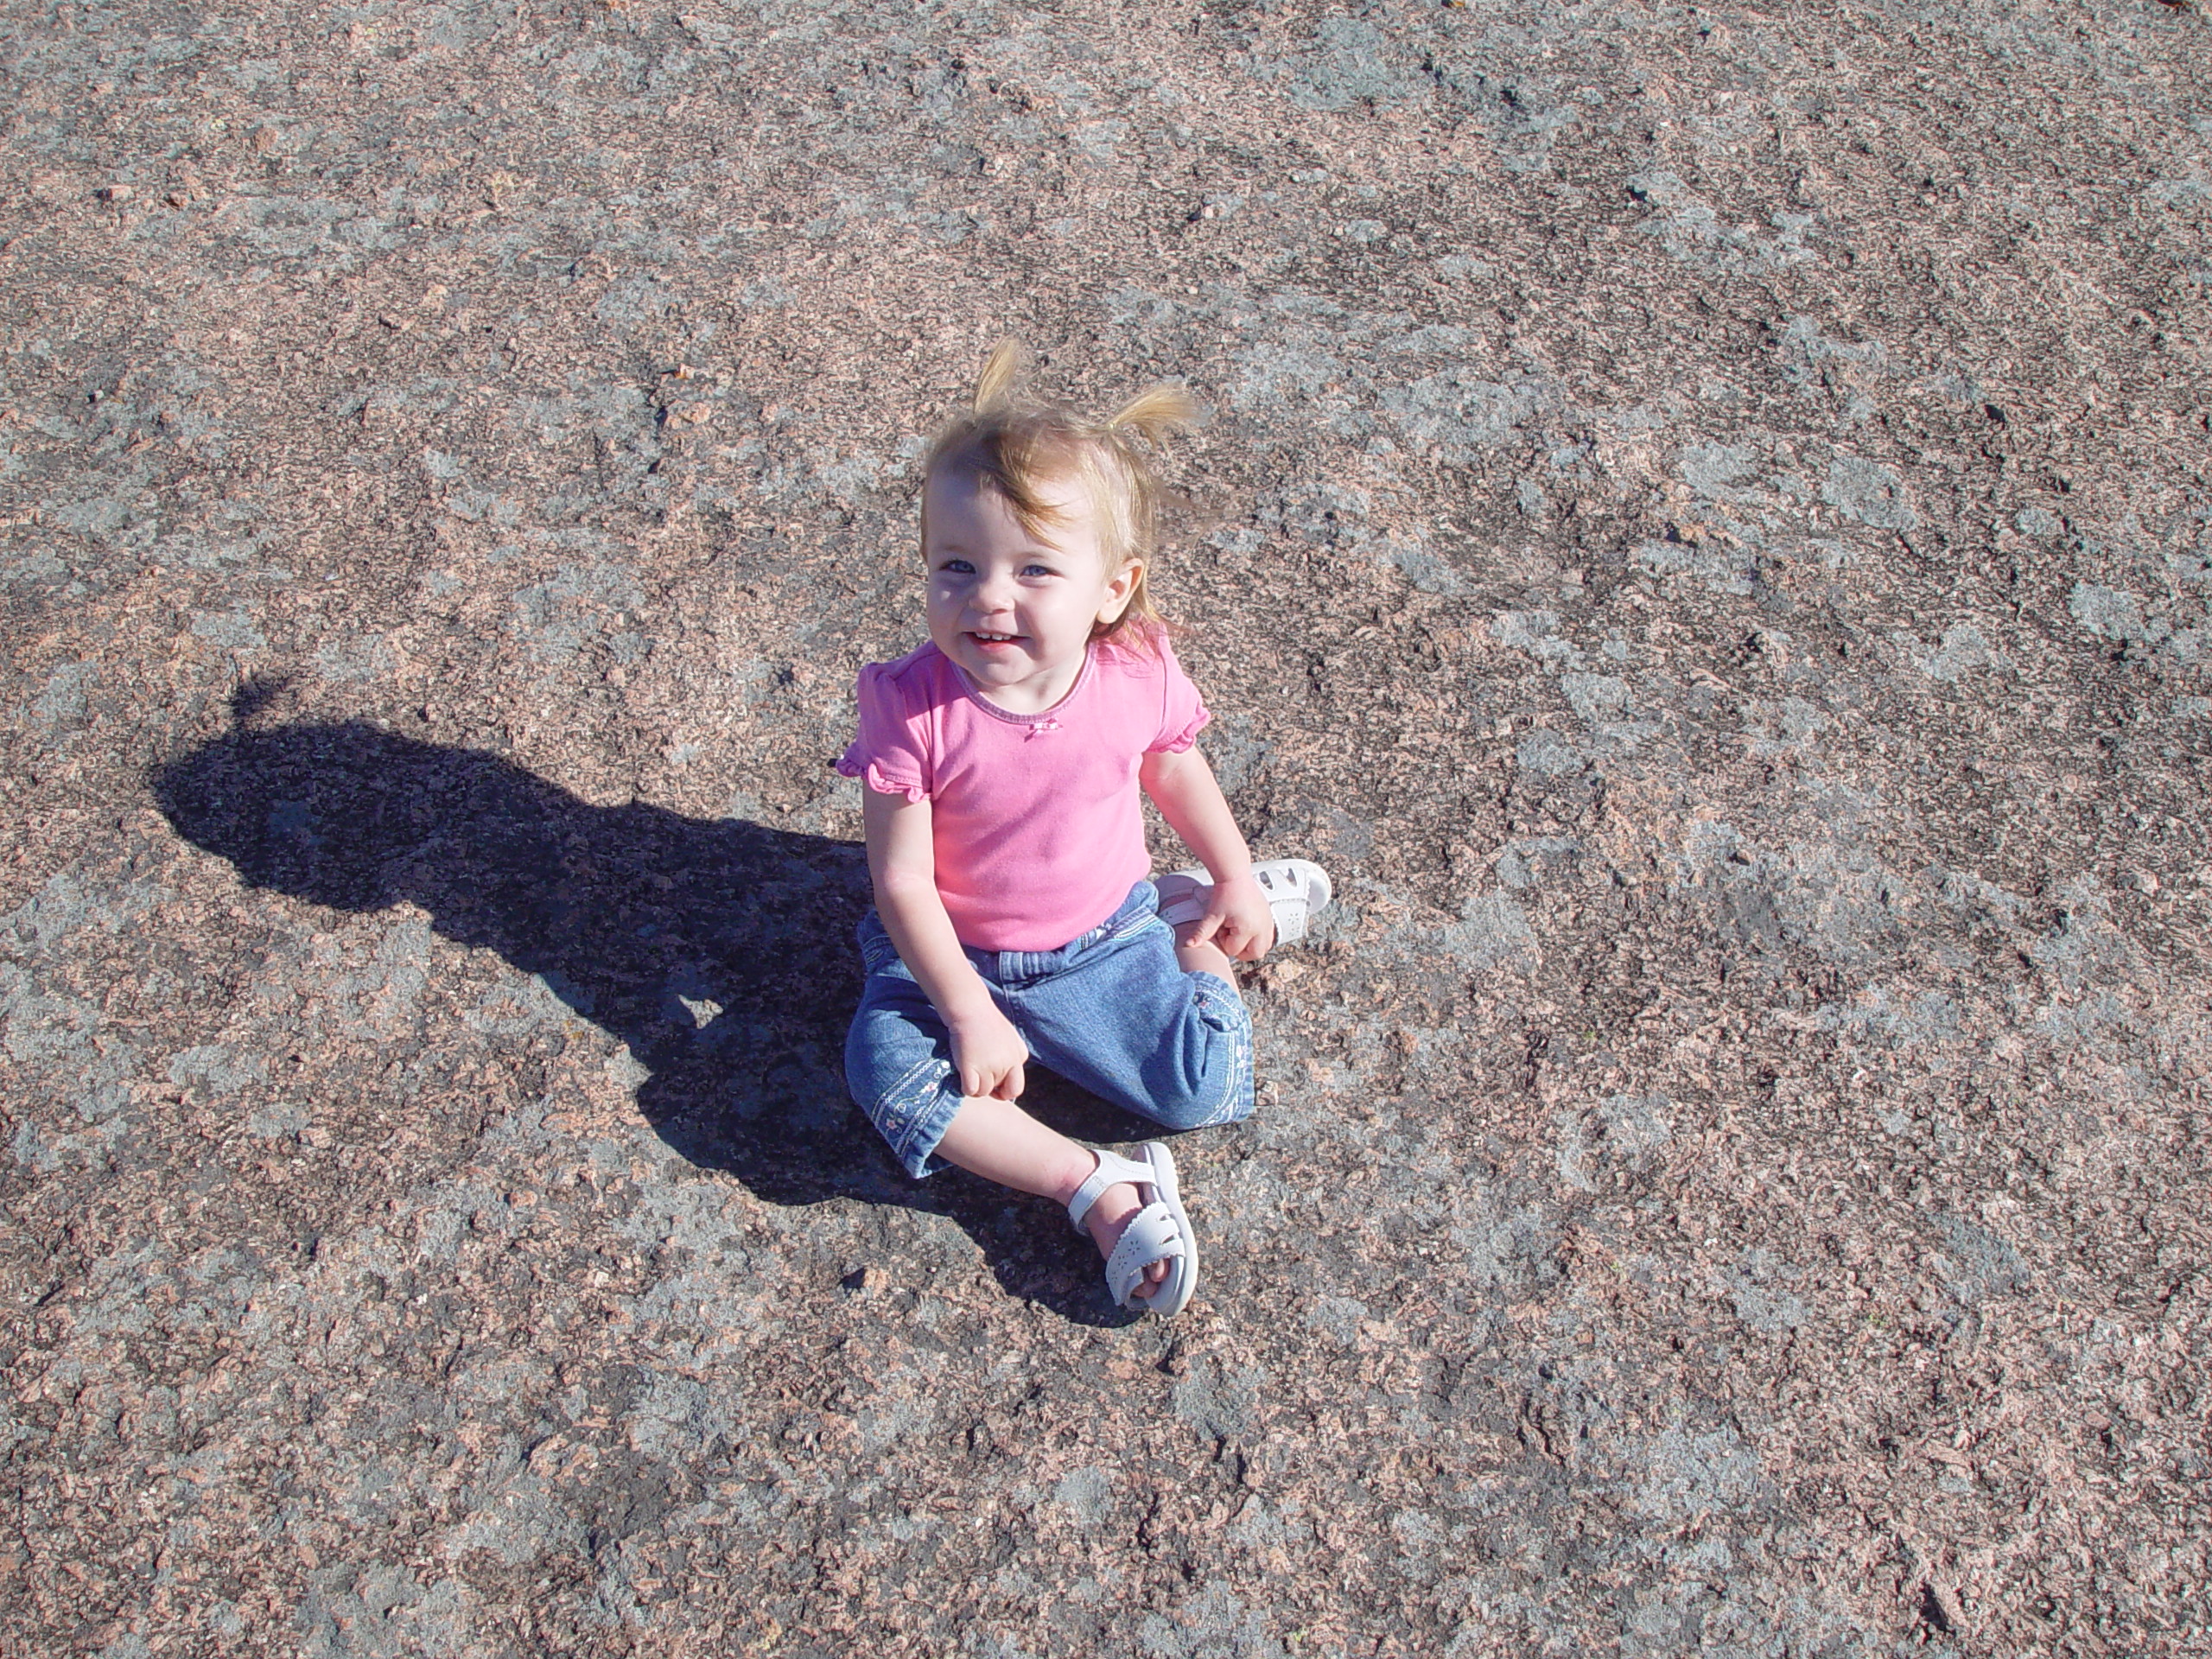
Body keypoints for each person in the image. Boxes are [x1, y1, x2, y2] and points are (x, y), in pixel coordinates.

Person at [836, 342, 1332, 1317]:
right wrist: (967, 1010)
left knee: (1199, 1087)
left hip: (1103, 938)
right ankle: (1096, 1185)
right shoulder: (909, 706)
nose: (988, 595)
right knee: (881, 1071)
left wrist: (1227, 872)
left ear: (1112, 589)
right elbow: (900, 884)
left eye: (1034, 571)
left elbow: (1173, 765)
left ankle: (1201, 927)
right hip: (955, 955)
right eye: (957, 564)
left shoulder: (1132, 669)